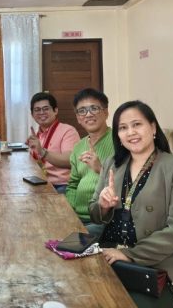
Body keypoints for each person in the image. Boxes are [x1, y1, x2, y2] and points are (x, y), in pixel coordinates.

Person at [89, 100, 173, 307]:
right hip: (112, 258)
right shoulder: (112, 164)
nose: (131, 132)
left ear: (153, 127)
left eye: (137, 124)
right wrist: (104, 206)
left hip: (160, 270)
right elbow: (95, 214)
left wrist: (129, 254)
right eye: (123, 128)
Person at [65, 88, 114, 237]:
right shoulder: (78, 147)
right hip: (77, 216)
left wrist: (100, 168)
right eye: (82, 111)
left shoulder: (119, 141)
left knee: (65, 239)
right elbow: (73, 184)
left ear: (106, 112)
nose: (88, 114)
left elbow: (128, 183)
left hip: (104, 218)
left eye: (94, 108)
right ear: (78, 118)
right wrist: (69, 212)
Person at [26, 92, 79, 193]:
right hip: (40, 183)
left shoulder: (68, 131)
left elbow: (70, 161)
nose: (41, 112)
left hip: (62, 185)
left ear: (55, 111)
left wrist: (42, 152)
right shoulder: (37, 135)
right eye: (37, 110)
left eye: (46, 109)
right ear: (32, 115)